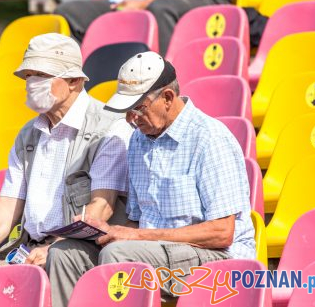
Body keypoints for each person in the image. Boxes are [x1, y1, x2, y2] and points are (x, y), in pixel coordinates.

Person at [46, 51, 256, 305]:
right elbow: (139, 224)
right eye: (126, 110)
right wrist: (105, 230)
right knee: (63, 254)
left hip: (221, 260)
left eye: (137, 108)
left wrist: (136, 237)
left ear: (167, 97)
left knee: (120, 254)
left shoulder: (209, 138)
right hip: (158, 251)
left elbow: (222, 233)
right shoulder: (139, 140)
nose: (130, 119)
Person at [0, 33, 133, 306]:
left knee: (59, 258)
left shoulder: (109, 128)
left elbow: (101, 209)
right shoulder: (28, 134)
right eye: (28, 76)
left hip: (82, 249)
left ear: (74, 81)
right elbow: (9, 203)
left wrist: (53, 247)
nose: (32, 84)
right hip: (30, 247)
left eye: (41, 75)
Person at [55, 0, 232, 57]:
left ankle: (161, 85)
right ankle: (77, 86)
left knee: (159, 9)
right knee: (69, 12)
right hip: (129, 0)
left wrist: (147, 1)